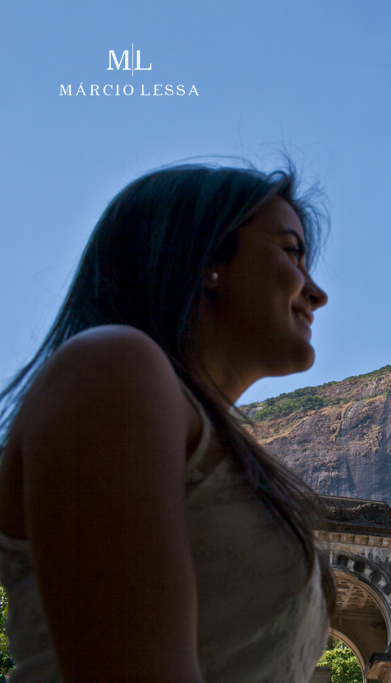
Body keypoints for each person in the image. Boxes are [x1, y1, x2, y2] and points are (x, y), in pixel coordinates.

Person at [0, 162, 336, 682]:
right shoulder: (113, 366)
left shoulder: (203, 432)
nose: (316, 293)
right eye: (291, 252)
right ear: (205, 258)